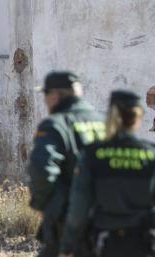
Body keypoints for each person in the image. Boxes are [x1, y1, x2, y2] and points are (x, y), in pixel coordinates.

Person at [58, 90, 155, 257]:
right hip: (145, 246)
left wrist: (67, 247)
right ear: (137, 117)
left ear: (112, 116)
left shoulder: (93, 156)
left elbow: (78, 208)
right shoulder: (152, 156)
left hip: (106, 246)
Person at [28, 71, 106, 257]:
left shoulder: (55, 124)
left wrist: (44, 205)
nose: (45, 101)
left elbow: (42, 169)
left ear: (54, 96)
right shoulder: (104, 122)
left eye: (45, 95)